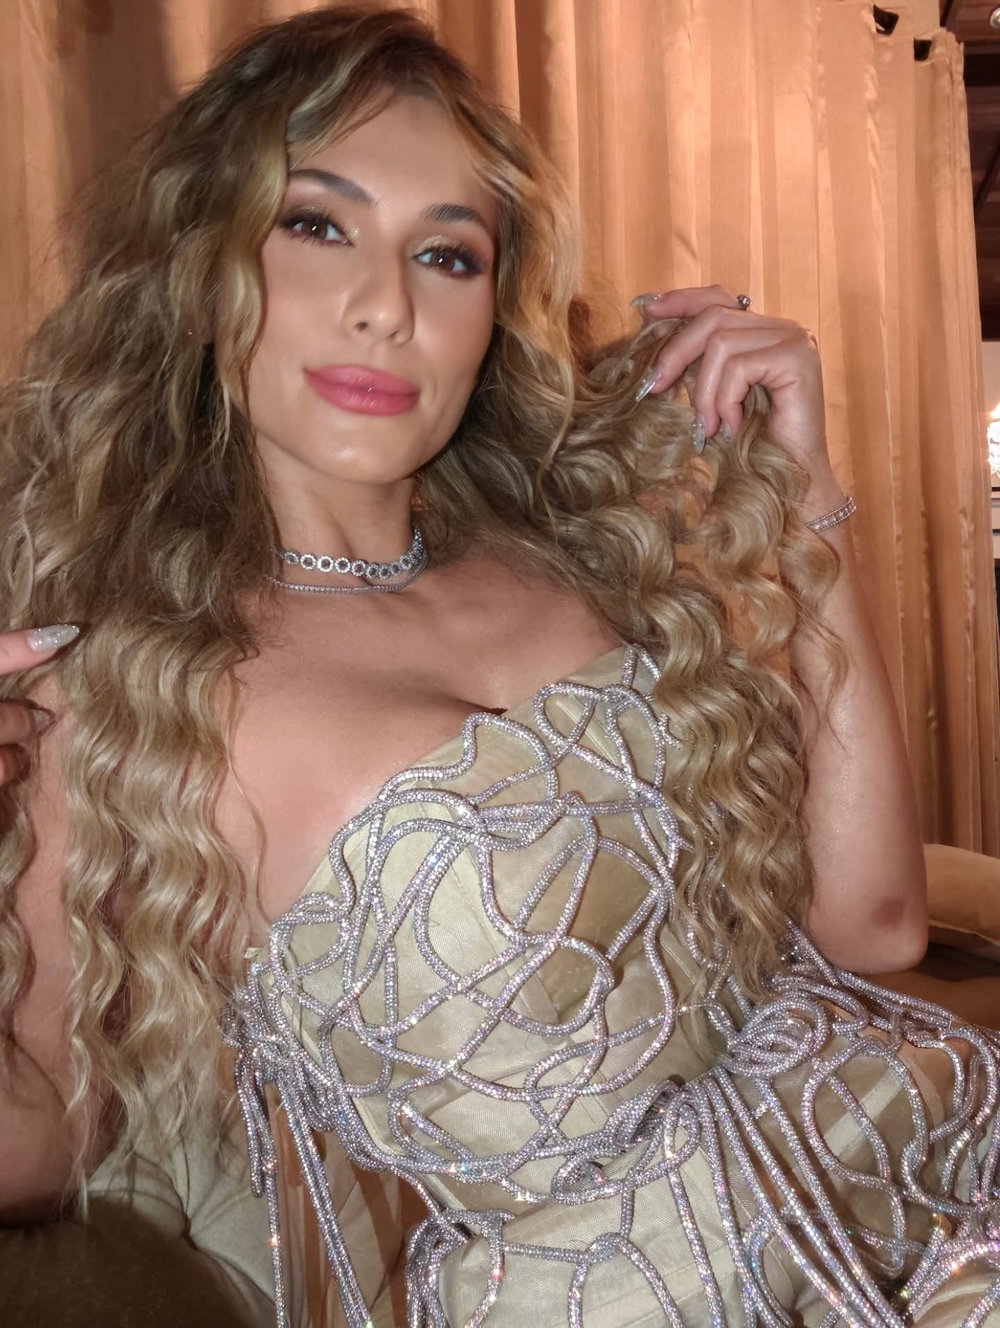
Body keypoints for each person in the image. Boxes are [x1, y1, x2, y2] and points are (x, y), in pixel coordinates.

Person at [1, 4, 997, 1325]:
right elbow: (32, 1145)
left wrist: (803, 493)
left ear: (492, 310)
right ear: (200, 267)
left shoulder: (582, 558)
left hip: (927, 1170)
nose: (386, 307)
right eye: (315, 226)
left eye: (447, 255)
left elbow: (870, 925)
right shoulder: (122, 693)